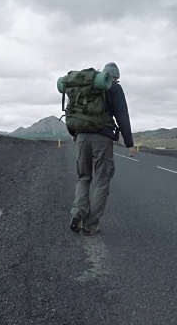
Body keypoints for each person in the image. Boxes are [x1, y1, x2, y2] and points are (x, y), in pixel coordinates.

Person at [69, 62, 136, 235]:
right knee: (102, 180)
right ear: (115, 77)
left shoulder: (85, 87)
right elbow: (122, 115)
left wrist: (74, 132)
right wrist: (129, 143)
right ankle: (90, 225)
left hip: (82, 135)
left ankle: (77, 212)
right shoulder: (114, 88)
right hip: (102, 137)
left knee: (83, 177)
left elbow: (72, 111)